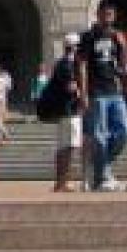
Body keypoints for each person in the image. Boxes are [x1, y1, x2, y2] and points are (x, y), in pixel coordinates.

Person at [78, 1, 127, 191]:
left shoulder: (118, 36)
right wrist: (83, 93)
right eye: (104, 14)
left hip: (115, 91)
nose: (108, 18)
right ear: (98, 16)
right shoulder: (89, 37)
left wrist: (124, 48)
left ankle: (101, 169)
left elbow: (125, 66)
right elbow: (82, 65)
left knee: (124, 131)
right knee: (99, 136)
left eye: (111, 14)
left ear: (114, 16)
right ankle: (102, 178)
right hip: (96, 92)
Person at [51, 34, 82, 192]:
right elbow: (71, 87)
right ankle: (64, 182)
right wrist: (83, 94)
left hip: (62, 111)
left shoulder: (59, 63)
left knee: (63, 147)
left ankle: (60, 182)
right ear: (75, 47)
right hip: (71, 110)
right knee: (69, 147)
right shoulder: (69, 65)